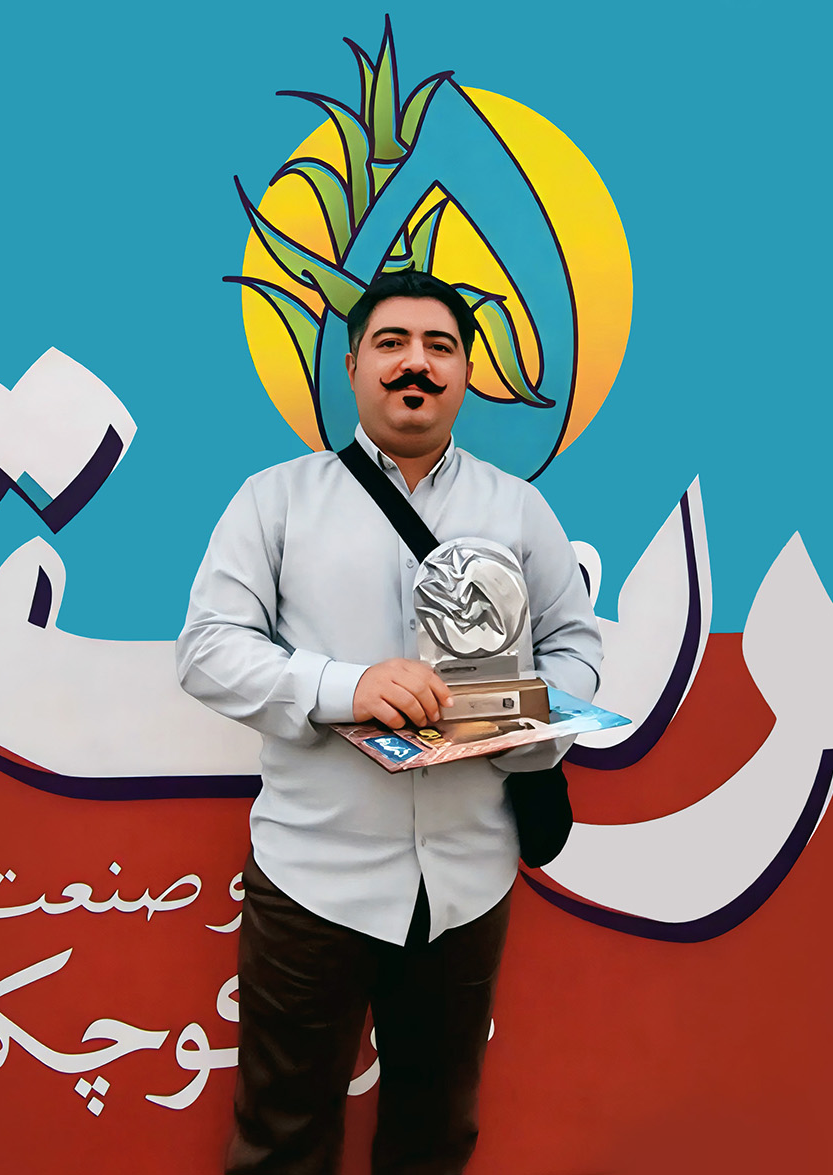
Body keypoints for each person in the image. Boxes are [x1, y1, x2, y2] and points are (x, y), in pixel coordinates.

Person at [176, 269, 602, 1174]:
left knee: (435, 1137)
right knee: (282, 1137)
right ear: (354, 365)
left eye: (440, 346)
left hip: (465, 882)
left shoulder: (518, 508)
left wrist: (525, 722)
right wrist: (345, 685)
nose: (417, 364)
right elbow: (208, 649)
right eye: (392, 343)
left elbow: (577, 646)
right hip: (310, 879)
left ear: (467, 371)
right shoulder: (275, 499)